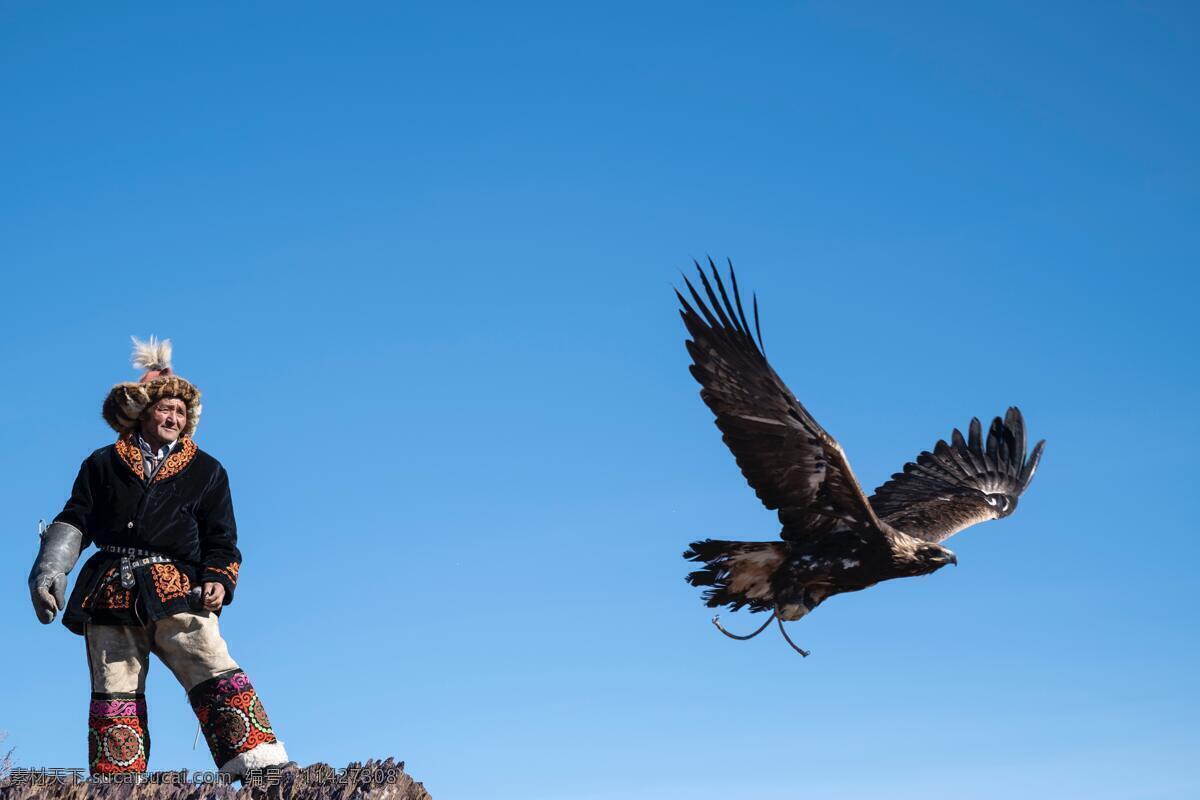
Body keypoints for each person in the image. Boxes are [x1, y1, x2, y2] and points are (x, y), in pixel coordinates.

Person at [28, 336, 289, 780]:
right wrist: (50, 568)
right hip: (109, 588)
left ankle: (261, 768)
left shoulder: (208, 470)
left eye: (181, 412)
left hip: (180, 588)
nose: (173, 417)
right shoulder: (102, 463)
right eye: (165, 408)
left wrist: (220, 578)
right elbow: (75, 518)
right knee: (115, 689)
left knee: (213, 670)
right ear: (145, 411)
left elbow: (222, 537)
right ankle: (118, 783)